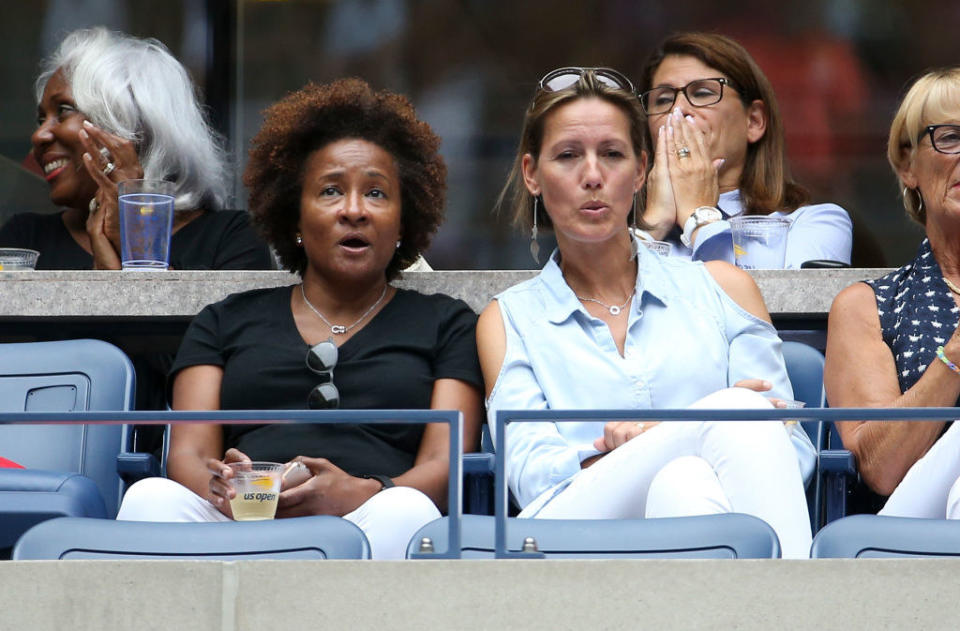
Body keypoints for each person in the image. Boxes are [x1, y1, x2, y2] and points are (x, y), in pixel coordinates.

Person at [116, 79, 484, 560]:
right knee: (149, 500)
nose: (354, 210)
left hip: (370, 520)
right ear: (294, 216)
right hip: (236, 521)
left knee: (409, 512)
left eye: (376, 193)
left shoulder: (446, 323)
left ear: (403, 221)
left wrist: (364, 491)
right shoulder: (224, 321)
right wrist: (227, 488)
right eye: (331, 191)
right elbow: (186, 455)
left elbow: (445, 460)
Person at [479, 67, 814, 558]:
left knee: (684, 480)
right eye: (569, 155)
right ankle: (804, 605)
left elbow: (791, 447)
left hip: (704, 511)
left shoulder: (724, 287)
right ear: (532, 174)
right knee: (738, 409)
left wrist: (666, 440)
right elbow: (532, 476)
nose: (592, 175)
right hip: (569, 529)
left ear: (640, 171)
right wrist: (690, 428)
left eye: (611, 154)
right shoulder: (506, 318)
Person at [0, 27, 272, 271]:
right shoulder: (26, 241)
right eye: (40, 119)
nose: (38, 135)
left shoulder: (229, 240)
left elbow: (205, 329)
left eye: (63, 111)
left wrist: (133, 242)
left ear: (133, 124)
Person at [824, 67, 960, 518]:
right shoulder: (869, 307)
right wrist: (956, 356)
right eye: (949, 137)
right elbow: (881, 468)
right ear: (907, 166)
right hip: (913, 521)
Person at [635, 32, 852, 268]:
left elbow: (756, 303)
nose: (678, 109)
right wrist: (652, 227)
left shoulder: (814, 224)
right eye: (663, 99)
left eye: (702, 93)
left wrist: (697, 217)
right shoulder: (613, 231)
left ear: (754, 122)